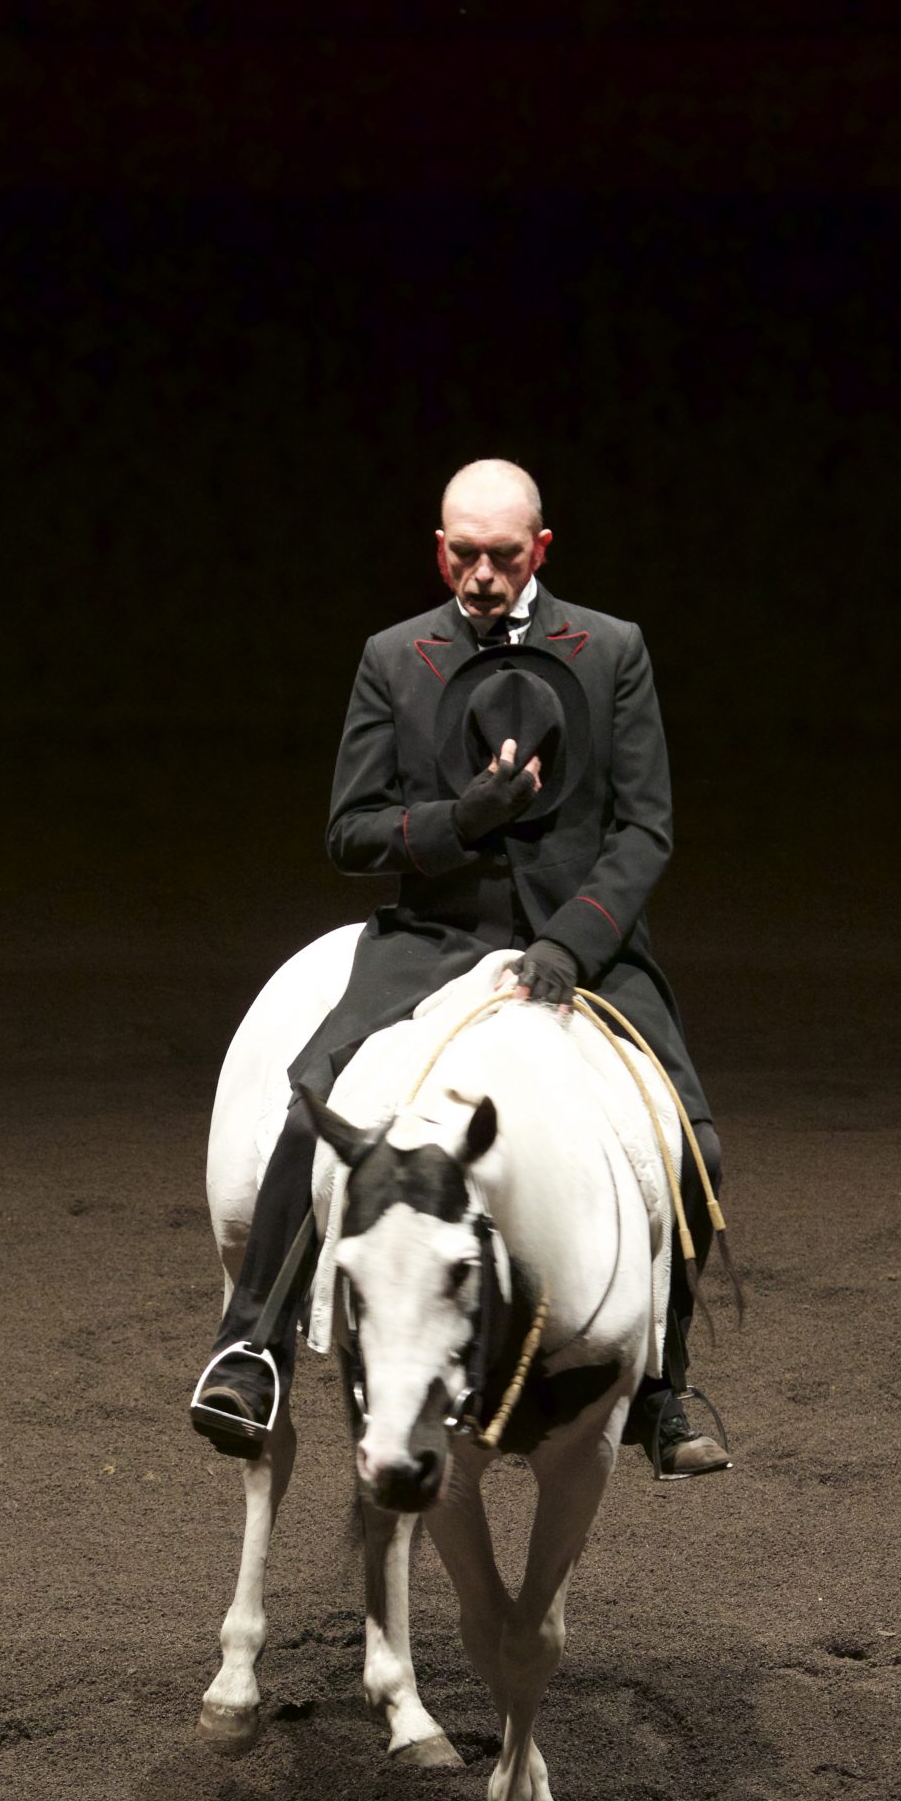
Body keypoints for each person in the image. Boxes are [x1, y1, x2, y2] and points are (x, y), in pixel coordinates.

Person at [190, 457, 728, 1478]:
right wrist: (456, 822)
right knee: (317, 1101)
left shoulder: (612, 649)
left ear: (541, 549)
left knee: (689, 1137)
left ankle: (665, 1384)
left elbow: (645, 828)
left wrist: (572, 940)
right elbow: (349, 833)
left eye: (503, 555)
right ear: (439, 548)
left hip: (583, 940)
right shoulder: (394, 656)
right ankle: (249, 1346)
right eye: (464, 554)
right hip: (435, 937)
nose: (481, 575)